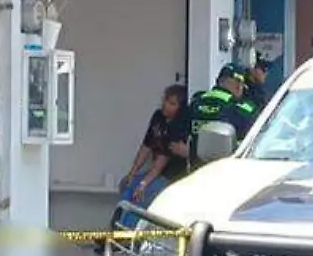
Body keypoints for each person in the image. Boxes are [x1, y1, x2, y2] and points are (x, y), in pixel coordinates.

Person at [106, 84, 190, 240]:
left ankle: (127, 236)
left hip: (171, 175)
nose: (165, 105)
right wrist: (132, 173)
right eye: (165, 100)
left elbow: (164, 157)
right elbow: (147, 145)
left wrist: (144, 183)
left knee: (142, 194)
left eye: (172, 103)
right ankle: (116, 231)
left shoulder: (179, 125)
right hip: (155, 171)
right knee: (128, 186)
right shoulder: (158, 117)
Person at [186, 63, 257, 168]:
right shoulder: (243, 109)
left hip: (196, 169)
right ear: (238, 86)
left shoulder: (196, 102)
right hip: (226, 171)